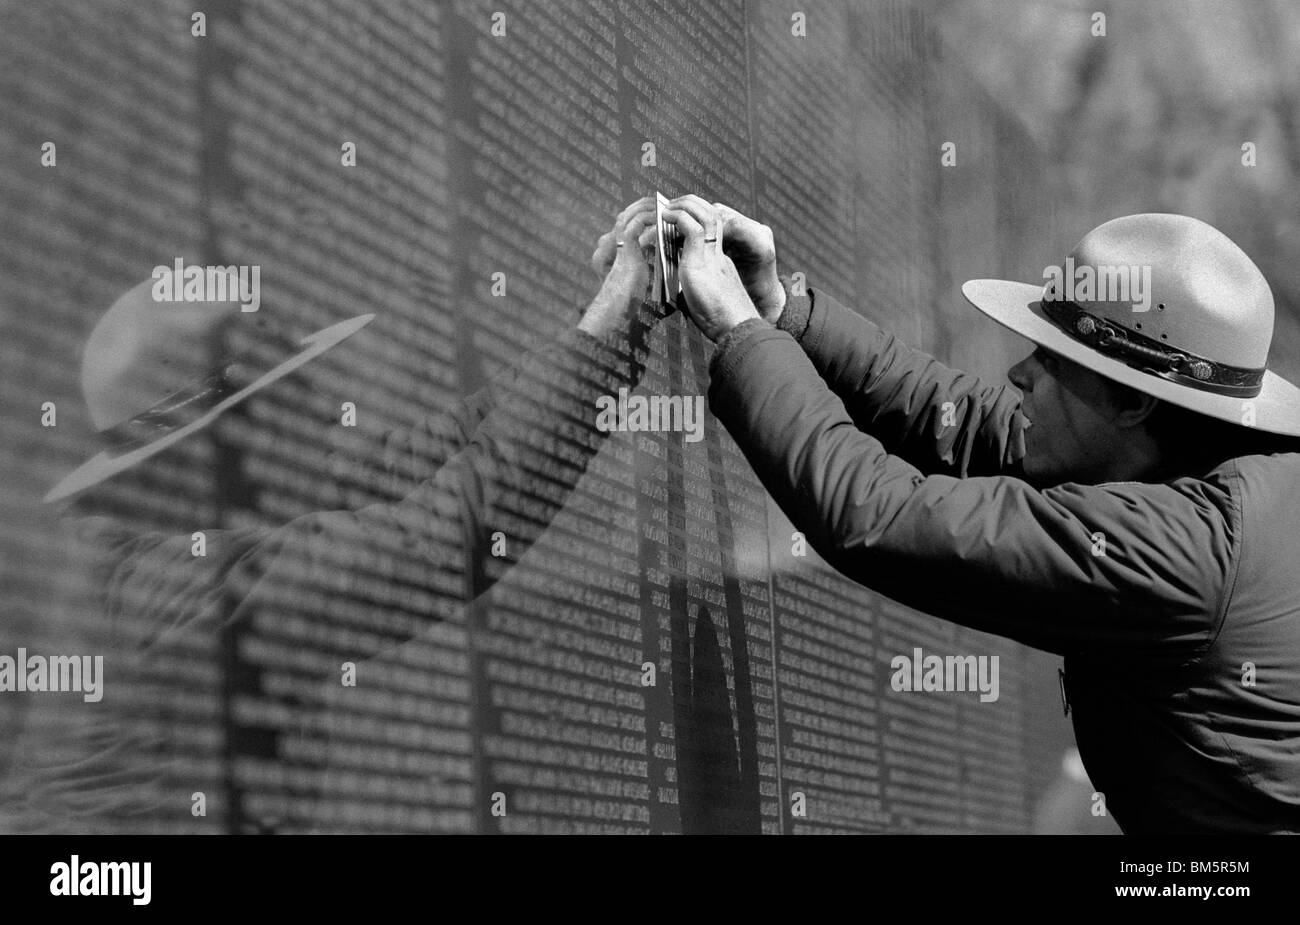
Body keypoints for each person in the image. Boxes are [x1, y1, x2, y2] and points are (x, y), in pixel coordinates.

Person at [5, 198, 666, 834]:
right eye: (291, 387)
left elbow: (453, 445)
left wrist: (614, 313)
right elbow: (444, 538)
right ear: (223, 439)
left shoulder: (213, 506)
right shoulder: (162, 581)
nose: (324, 405)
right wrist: (615, 323)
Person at [662, 195, 1300, 834]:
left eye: (1053, 361)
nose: (1018, 373)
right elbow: (970, 423)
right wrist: (781, 312)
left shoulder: (1184, 548)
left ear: (1135, 402)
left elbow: (877, 516)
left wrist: (740, 335)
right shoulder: (1208, 462)